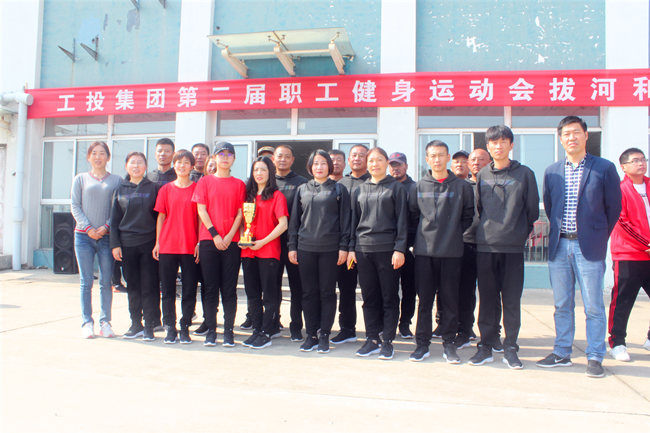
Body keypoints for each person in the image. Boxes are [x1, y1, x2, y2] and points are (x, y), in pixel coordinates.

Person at [536, 116, 621, 378]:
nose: (571, 137)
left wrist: (597, 235)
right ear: (560, 139)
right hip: (560, 246)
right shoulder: (552, 171)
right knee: (562, 304)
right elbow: (550, 206)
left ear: (586, 135)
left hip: (589, 248)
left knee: (593, 305)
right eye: (566, 134)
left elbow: (613, 208)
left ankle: (595, 356)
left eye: (576, 132)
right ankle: (562, 352)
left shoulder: (603, 168)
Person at [469, 125, 539, 369]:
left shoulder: (525, 174)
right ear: (488, 146)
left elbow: (531, 210)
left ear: (511, 145)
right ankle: (486, 346)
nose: (498, 146)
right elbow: (479, 209)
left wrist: (517, 233)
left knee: (511, 300)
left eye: (503, 142)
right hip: (486, 247)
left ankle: (510, 347)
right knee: (487, 300)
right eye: (493, 142)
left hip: (512, 248)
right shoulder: (483, 175)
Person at [408, 140, 474, 363]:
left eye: (441, 155)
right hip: (424, 253)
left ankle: (449, 344)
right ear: (427, 159)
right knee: (424, 301)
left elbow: (467, 217)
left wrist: (453, 234)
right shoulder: (418, 187)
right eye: (433, 156)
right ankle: (422, 344)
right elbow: (412, 217)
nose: (437, 159)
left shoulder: (462, 187)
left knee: (449, 301)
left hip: (452, 252)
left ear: (448, 158)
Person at [348, 147, 408, 360]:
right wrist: (351, 249)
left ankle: (388, 341)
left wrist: (400, 248)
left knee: (389, 297)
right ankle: (372, 339)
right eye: (371, 160)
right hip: (363, 250)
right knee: (369, 297)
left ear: (386, 163)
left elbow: (402, 221)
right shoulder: (360, 189)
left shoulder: (396, 188)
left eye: (379, 160)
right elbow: (353, 222)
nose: (375, 164)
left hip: (387, 250)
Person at [288, 150, 351, 353]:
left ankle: (324, 334)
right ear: (310, 167)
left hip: (330, 249)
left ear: (329, 166)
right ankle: (311, 335)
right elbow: (294, 221)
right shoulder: (302, 189)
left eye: (323, 163)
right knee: (308, 293)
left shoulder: (339, 189)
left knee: (327, 292)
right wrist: (292, 246)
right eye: (315, 163)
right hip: (305, 248)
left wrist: (344, 247)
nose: (319, 167)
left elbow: (346, 221)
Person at [192, 142, 245, 346]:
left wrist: (230, 236)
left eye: (229, 154)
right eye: (221, 154)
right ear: (214, 157)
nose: (225, 157)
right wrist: (215, 234)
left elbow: (240, 213)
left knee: (229, 289)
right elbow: (201, 210)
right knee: (210, 287)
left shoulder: (239, 184)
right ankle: (212, 331)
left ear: (234, 159)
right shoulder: (205, 181)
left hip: (232, 242)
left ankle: (229, 331)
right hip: (209, 241)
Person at [71, 141, 122, 338]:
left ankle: (105, 322)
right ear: (88, 157)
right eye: (94, 153)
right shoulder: (80, 179)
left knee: (106, 281)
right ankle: (87, 322)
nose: (98, 157)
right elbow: (75, 206)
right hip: (83, 237)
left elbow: (118, 208)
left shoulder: (116, 180)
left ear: (108, 157)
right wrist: (88, 228)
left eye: (102, 153)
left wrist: (106, 227)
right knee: (86, 282)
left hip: (106, 238)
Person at [110, 152, 160, 341]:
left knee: (149, 286)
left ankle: (149, 326)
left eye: (140, 163)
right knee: (133, 286)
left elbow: (160, 218)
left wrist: (158, 243)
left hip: (149, 244)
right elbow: (114, 220)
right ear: (126, 166)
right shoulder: (120, 189)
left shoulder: (153, 188)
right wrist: (115, 244)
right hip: (127, 244)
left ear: (146, 167)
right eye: (133, 163)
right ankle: (135, 324)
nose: (136, 166)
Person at [240, 156, 289, 349]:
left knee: (269, 295)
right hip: (248, 252)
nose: (259, 173)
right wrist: (244, 239)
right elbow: (243, 222)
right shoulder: (248, 196)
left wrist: (262, 242)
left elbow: (283, 225)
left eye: (263, 170)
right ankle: (257, 329)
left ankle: (267, 332)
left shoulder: (277, 196)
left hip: (268, 251)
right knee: (252, 294)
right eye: (256, 170)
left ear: (270, 173)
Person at [607, 148, 650, 361]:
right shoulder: (620, 190)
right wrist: (646, 243)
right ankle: (617, 343)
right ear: (623, 167)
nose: (641, 163)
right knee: (622, 301)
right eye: (635, 161)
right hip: (629, 255)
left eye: (643, 159)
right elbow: (621, 222)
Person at [153, 150, 199, 344]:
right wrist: (158, 242)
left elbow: (201, 218)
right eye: (178, 162)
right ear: (174, 165)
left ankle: (185, 325)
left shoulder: (197, 188)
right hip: (168, 246)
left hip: (190, 246)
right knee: (168, 290)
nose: (182, 165)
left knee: (189, 289)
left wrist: (199, 242)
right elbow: (161, 216)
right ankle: (170, 327)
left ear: (192, 166)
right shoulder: (166, 189)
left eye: (186, 162)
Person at [455, 148, 494, 350]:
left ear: (490, 161)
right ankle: (464, 330)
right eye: (473, 160)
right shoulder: (462, 187)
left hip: (491, 245)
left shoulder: (494, 184)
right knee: (465, 291)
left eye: (481, 159)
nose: (476, 163)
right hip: (466, 244)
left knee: (490, 292)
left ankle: (492, 334)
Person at [332, 144, 370, 345]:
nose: (357, 158)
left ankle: (376, 331)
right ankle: (347, 329)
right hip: (345, 247)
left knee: (371, 291)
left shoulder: (373, 182)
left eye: (362, 155)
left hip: (367, 246)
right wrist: (344, 246)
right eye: (354, 155)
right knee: (346, 290)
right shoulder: (340, 184)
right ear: (349, 160)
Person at [273, 145, 307, 341]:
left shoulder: (302, 183)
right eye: (279, 156)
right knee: (272, 286)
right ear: (274, 159)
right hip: (270, 243)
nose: (283, 159)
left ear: (293, 160)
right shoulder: (267, 182)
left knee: (297, 287)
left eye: (287, 156)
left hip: (294, 244)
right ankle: (273, 322)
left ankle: (296, 326)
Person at [388, 152, 418, 339]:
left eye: (399, 165)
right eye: (392, 165)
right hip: (387, 245)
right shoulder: (385, 186)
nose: (395, 168)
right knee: (389, 289)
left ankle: (405, 323)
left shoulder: (414, 188)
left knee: (409, 288)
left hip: (409, 246)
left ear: (406, 166)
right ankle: (388, 323)